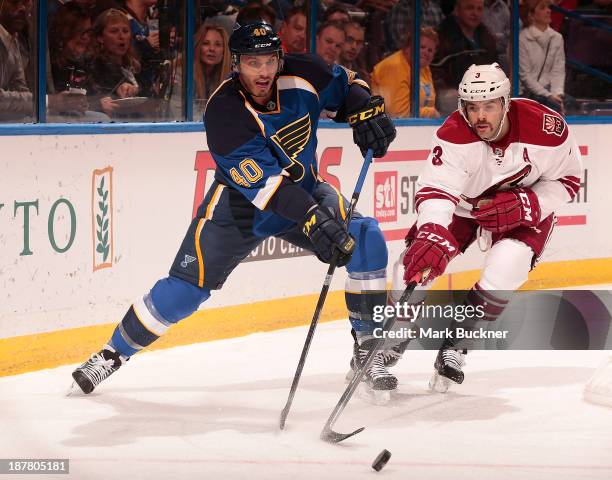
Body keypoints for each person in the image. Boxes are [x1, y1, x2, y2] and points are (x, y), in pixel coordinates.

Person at [70, 22, 398, 398]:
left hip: (304, 191)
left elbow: (349, 83)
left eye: (269, 61)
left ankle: (367, 347)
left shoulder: (305, 72)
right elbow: (270, 189)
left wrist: (365, 109)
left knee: (367, 236)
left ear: (280, 59)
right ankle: (112, 353)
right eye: (252, 63)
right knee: (184, 291)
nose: (262, 72)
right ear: (236, 64)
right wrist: (313, 220)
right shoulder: (224, 112)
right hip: (241, 207)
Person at [393, 63, 582, 392]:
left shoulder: (546, 129)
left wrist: (530, 204)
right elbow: (437, 189)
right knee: (415, 263)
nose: (480, 116)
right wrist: (433, 231)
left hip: (524, 206)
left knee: (507, 266)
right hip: (466, 206)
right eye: (472, 107)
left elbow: (568, 179)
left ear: (506, 102)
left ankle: (456, 344)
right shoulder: (453, 135)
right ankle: (387, 345)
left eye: (489, 106)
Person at [431, 0, 499, 114]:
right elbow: (435, 70)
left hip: (481, 90)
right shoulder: (442, 36)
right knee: (449, 98)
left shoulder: (487, 37)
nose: (475, 13)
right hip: (452, 90)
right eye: (470, 8)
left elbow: (494, 68)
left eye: (479, 9)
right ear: (457, 11)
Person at [370, 27, 440, 118]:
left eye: (430, 50)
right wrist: (432, 113)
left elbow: (429, 103)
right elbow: (398, 114)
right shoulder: (394, 67)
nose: (426, 52)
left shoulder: (423, 67)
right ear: (407, 47)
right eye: (422, 47)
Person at [87, 8, 141, 118]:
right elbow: (95, 99)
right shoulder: (95, 67)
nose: (121, 37)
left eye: (125, 31)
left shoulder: (133, 65)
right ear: (100, 37)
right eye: (114, 31)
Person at [519, 0, 566, 114]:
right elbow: (525, 76)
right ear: (531, 15)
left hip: (550, 92)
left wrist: (557, 95)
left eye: (548, 7)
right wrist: (549, 96)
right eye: (542, 8)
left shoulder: (557, 38)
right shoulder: (522, 38)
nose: (548, 11)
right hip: (528, 92)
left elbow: (558, 71)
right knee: (552, 108)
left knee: (571, 105)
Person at [0, 0, 33, 122]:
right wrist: (49, 102)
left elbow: (20, 89)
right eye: (14, 1)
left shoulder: (13, 38)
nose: (22, 8)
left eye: (26, 3)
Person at [193, 23, 230, 118]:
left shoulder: (229, 79)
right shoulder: (183, 75)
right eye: (206, 43)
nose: (212, 49)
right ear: (198, 47)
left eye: (218, 45)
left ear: (224, 51)